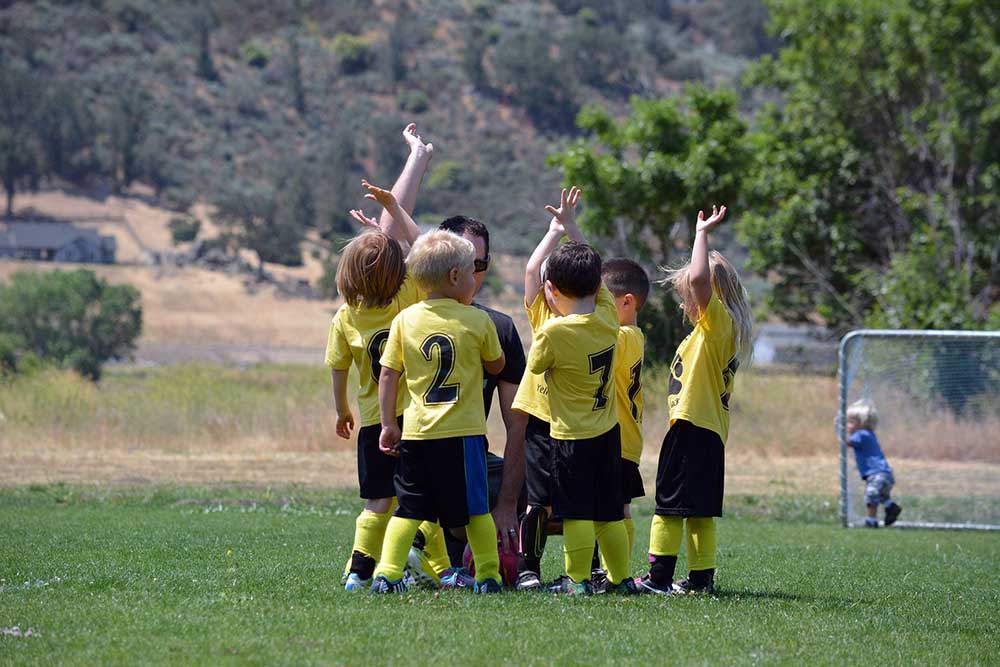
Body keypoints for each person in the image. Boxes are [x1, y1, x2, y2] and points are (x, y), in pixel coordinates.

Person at [326, 124, 452, 591]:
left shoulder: (346, 315)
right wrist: (400, 196)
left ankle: (357, 571)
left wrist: (341, 410)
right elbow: (419, 247)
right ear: (401, 273)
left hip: (373, 423)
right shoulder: (410, 296)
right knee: (424, 499)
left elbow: (338, 367)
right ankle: (440, 569)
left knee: (377, 502)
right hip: (412, 419)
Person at [370, 230, 506, 594]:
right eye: (472, 270)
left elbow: (387, 373)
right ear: (455, 277)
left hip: (417, 434)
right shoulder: (477, 321)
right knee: (476, 510)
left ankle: (387, 574)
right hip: (462, 436)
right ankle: (489, 575)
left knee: (409, 510)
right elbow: (497, 365)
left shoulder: (405, 320)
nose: (476, 278)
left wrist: (387, 424)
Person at [521, 187, 637, 596]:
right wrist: (573, 229)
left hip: (571, 437)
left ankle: (576, 581)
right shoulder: (608, 317)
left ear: (551, 290)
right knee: (608, 511)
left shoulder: (552, 331)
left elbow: (535, 367)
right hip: (608, 434)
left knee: (575, 513)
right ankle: (621, 579)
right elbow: (595, 275)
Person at [635, 205, 754, 595]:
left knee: (668, 508)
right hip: (708, 433)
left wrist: (700, 233)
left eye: (689, 295)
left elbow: (702, 279)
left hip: (691, 428)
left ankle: (657, 579)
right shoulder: (714, 332)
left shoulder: (717, 322)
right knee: (700, 511)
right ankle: (701, 580)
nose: (687, 302)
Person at [590, 258, 650, 591]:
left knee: (616, 510)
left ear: (626, 303)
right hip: (623, 439)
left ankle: (619, 574)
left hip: (619, 440)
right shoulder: (632, 335)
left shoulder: (624, 337)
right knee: (616, 507)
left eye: (602, 300)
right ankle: (615, 572)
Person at [846, 400, 902, 528]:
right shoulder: (868, 434)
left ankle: (871, 521)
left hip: (877, 474)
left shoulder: (861, 434)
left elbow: (847, 443)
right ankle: (891, 507)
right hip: (884, 473)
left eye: (851, 422)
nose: (848, 425)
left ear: (862, 423)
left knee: (871, 495)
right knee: (881, 496)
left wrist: (838, 429)